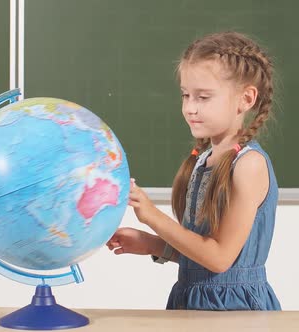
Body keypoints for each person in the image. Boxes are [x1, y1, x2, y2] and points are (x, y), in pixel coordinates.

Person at [106, 31, 281, 311]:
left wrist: (152, 217)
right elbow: (201, 255)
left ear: (246, 99)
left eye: (203, 97)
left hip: (233, 310)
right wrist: (154, 245)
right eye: (186, 95)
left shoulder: (248, 165)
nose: (190, 108)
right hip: (192, 302)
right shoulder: (202, 161)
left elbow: (220, 259)